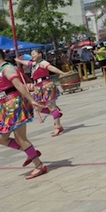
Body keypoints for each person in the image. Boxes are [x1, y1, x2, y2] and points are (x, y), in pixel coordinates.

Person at [0, 50, 48, 179]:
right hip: (4, 106)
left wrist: (32, 100)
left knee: (20, 138)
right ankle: (30, 152)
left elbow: (19, 85)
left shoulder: (7, 68)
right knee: (2, 138)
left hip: (14, 104)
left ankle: (39, 165)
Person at [15, 50, 71, 137]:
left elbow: (51, 68)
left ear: (40, 54)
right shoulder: (34, 64)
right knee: (37, 107)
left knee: (51, 106)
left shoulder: (43, 63)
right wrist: (19, 61)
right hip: (38, 88)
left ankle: (57, 126)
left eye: (34, 54)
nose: (32, 55)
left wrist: (62, 73)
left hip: (46, 86)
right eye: (32, 54)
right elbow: (27, 63)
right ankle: (55, 114)